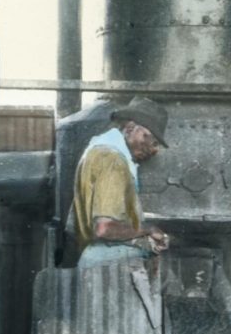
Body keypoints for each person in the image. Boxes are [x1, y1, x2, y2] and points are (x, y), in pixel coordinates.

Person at [70, 96, 171, 265]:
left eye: (155, 144)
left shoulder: (100, 150)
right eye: (149, 138)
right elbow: (104, 228)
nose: (153, 149)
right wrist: (148, 229)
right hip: (106, 264)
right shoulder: (112, 160)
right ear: (130, 128)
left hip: (99, 259)